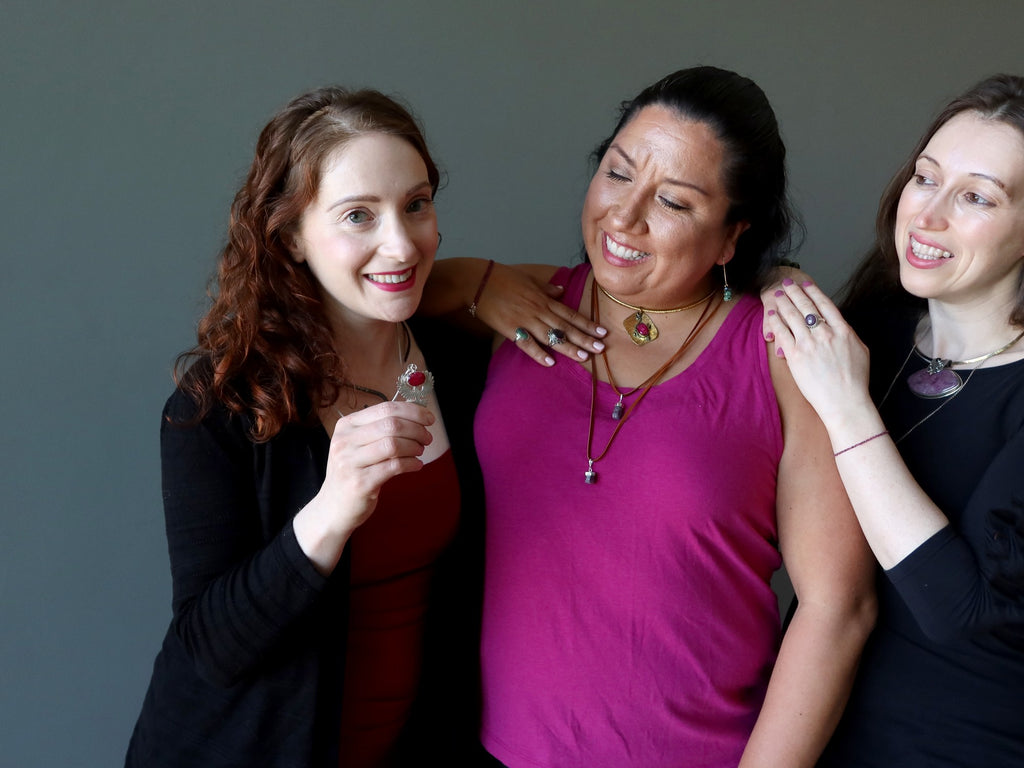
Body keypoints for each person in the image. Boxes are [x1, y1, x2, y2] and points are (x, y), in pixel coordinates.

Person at [428, 66, 876, 768]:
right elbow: (380, 288)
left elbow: (838, 607)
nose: (624, 217)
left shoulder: (781, 354)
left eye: (673, 201)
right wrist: (478, 280)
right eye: (617, 173)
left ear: (732, 237)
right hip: (497, 752)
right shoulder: (525, 302)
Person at [124, 87, 489, 768]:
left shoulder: (467, 367)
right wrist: (331, 510)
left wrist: (757, 295)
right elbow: (210, 647)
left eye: (416, 205)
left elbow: (621, 309)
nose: (401, 243)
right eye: (359, 215)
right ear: (290, 235)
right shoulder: (220, 403)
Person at [766, 74, 1024, 766]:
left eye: (976, 196)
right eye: (925, 178)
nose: (927, 214)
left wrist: (846, 404)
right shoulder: (872, 329)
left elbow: (959, 612)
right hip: (819, 735)